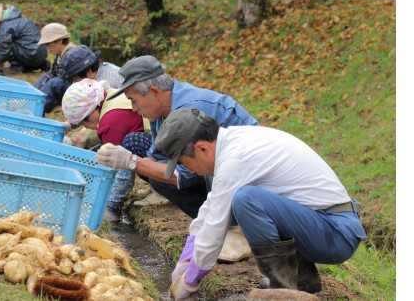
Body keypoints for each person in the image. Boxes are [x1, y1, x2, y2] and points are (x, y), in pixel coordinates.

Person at [153, 108, 366, 299]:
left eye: (184, 163)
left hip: (336, 233)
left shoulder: (234, 161)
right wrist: (185, 260)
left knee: (246, 200)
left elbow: (214, 229)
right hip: (329, 223)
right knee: (246, 199)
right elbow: (210, 209)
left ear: (201, 148)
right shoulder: (235, 141)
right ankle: (302, 281)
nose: (189, 170)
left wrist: (190, 282)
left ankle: (282, 290)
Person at [94, 55, 259, 262]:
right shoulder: (161, 112)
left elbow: (185, 175)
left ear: (154, 92)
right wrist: (137, 163)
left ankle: (237, 230)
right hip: (217, 169)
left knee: (198, 167)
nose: (134, 109)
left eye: (134, 101)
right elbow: (160, 162)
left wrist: (130, 161)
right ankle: (217, 226)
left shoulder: (189, 111)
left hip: (246, 173)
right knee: (158, 177)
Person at [62, 78, 152, 222]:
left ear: (93, 109)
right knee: (99, 151)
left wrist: (111, 207)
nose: (85, 126)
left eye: (85, 121)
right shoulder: (108, 96)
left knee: (111, 155)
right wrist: (67, 125)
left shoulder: (111, 124)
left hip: (160, 154)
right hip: (155, 141)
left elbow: (123, 170)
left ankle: (159, 187)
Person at [0, 4, 49, 74]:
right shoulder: (15, 18)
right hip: (41, 53)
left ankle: (17, 66)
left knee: (7, 45)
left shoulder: (5, 28)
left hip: (30, 56)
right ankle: (41, 64)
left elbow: (3, 51)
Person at [34, 23, 76, 114]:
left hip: (75, 93)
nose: (47, 47)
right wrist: (37, 91)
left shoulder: (72, 55)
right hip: (64, 88)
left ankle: (37, 109)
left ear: (60, 41)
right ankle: (32, 98)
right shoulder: (60, 55)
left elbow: (72, 81)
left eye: (48, 44)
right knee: (47, 76)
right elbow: (51, 74)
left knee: (55, 82)